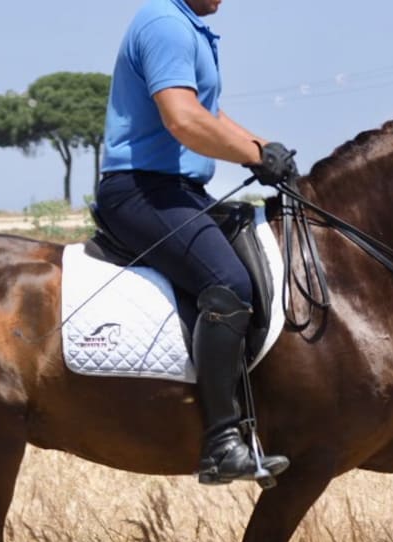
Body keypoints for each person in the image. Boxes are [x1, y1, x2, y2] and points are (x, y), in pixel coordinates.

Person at [96, 0, 298, 485]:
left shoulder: (190, 27)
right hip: (140, 191)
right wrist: (254, 154)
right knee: (227, 282)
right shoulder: (166, 24)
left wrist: (262, 150)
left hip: (179, 190)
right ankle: (221, 443)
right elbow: (183, 120)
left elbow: (209, 112)